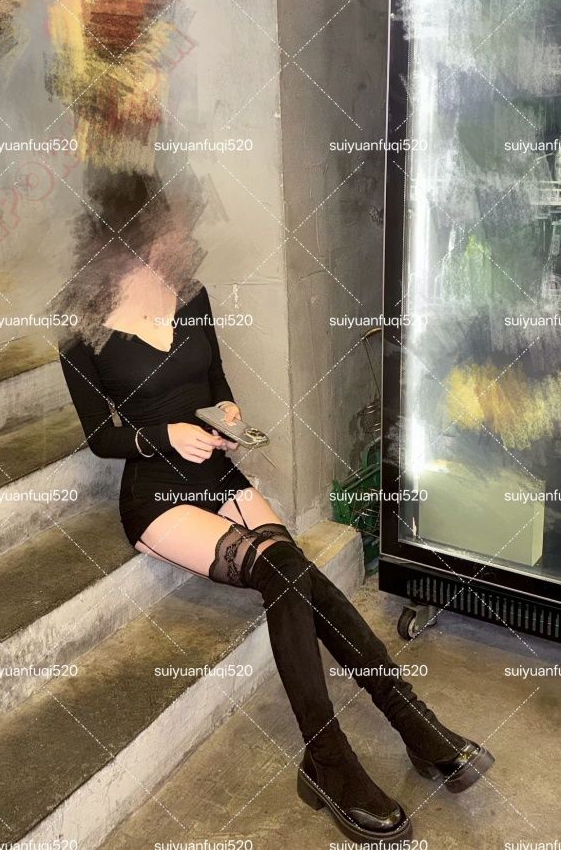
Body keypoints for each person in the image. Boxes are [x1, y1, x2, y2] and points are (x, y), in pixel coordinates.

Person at [59, 266, 494, 846]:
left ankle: (392, 728)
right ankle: (343, 753)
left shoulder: (187, 289)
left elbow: (215, 380)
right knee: (286, 572)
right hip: (155, 494)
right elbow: (100, 436)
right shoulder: (80, 319)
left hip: (218, 474)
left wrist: (227, 413)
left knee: (293, 570)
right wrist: (165, 435)